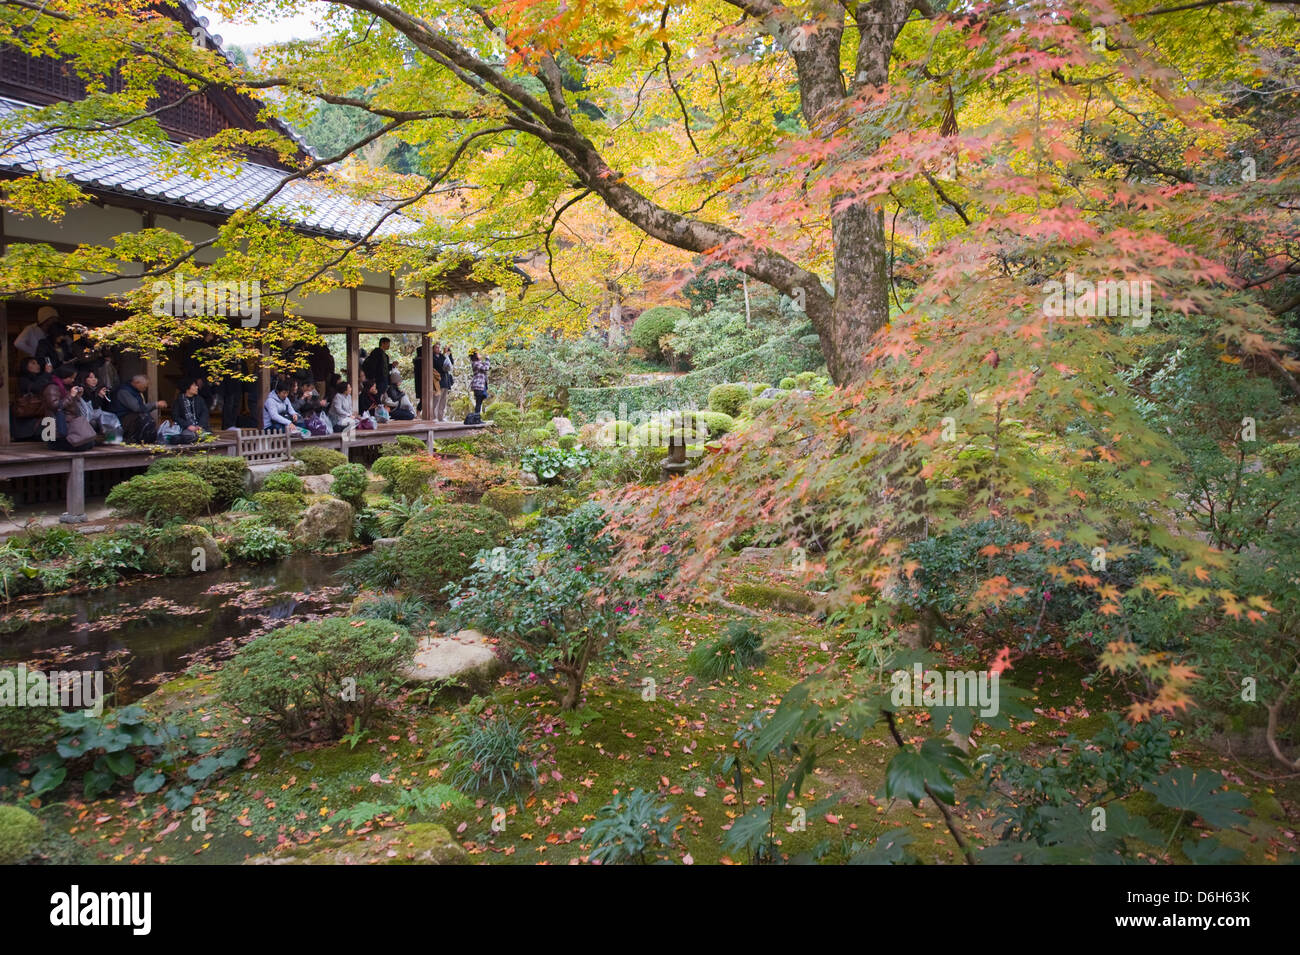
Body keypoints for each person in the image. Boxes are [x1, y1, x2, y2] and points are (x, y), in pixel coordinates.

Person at [42, 364, 95, 452]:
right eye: (70, 377)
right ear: (63, 376)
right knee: (82, 446)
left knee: (89, 442)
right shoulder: (51, 388)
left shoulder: (64, 387)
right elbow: (56, 406)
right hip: (57, 428)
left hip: (69, 425)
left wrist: (77, 396)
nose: (73, 380)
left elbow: (69, 404)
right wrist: (71, 395)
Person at [110, 374, 165, 444]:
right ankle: (132, 439)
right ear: (137, 383)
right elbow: (137, 408)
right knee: (142, 417)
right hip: (120, 420)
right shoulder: (124, 391)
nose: (146, 387)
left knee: (146, 417)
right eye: (145, 385)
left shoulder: (135, 390)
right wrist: (155, 404)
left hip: (128, 418)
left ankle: (143, 440)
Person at [76, 371, 123, 443]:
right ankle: (108, 440)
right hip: (84, 415)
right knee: (96, 422)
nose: (94, 379)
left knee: (111, 418)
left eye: (95, 377)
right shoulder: (82, 390)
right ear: (84, 379)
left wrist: (104, 395)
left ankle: (112, 440)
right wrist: (100, 396)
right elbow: (92, 407)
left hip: (95, 414)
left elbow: (105, 406)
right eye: (90, 377)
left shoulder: (97, 389)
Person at [13, 357, 51, 441]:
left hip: (36, 422)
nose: (37, 365)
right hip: (25, 428)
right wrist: (46, 374)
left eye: (37, 363)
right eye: (33, 363)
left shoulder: (38, 377)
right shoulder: (23, 379)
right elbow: (36, 387)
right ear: (25, 366)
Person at [173, 377, 210, 444]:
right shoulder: (179, 400)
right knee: (188, 436)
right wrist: (188, 425)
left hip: (200, 428)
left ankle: (197, 437)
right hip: (186, 428)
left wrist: (200, 426)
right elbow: (176, 417)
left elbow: (205, 414)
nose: (197, 387)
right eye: (194, 385)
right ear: (187, 387)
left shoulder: (200, 399)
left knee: (204, 435)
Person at [469, 349, 490, 416]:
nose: (480, 355)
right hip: (478, 385)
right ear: (475, 356)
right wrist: (487, 359)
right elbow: (486, 368)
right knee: (478, 401)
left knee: (479, 401)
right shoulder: (475, 363)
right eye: (479, 354)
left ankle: (477, 417)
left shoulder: (479, 362)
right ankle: (476, 417)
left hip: (481, 385)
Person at [435, 344, 453, 422]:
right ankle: (434, 417)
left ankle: (441, 417)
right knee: (437, 400)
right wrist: (444, 354)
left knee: (443, 401)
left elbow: (451, 363)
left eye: (439, 347)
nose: (438, 349)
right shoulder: (434, 357)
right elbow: (440, 365)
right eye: (436, 347)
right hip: (438, 381)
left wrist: (449, 354)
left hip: (446, 381)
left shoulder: (443, 356)